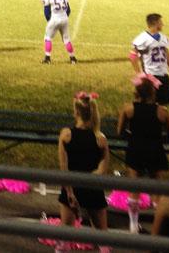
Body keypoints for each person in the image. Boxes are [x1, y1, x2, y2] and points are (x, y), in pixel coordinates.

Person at [117, 73, 169, 233]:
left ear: (137, 92)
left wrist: (134, 135)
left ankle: (133, 224)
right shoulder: (162, 112)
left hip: (135, 149)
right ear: (153, 92)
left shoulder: (128, 109)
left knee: (134, 186)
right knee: (156, 188)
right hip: (155, 150)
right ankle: (159, 225)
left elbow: (120, 131)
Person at [57, 92, 110, 238]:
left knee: (64, 238)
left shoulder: (66, 135)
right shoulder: (101, 139)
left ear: (76, 112)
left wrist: (70, 193)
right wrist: (87, 182)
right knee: (103, 239)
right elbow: (102, 170)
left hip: (71, 189)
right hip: (93, 188)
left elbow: (64, 168)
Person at [130, 13, 169, 105]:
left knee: (164, 102)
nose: (162, 24)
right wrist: (139, 74)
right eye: (160, 22)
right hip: (150, 76)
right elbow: (132, 56)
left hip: (163, 75)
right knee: (149, 103)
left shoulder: (164, 38)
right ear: (155, 23)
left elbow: (167, 54)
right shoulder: (142, 38)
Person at [41, 0, 77, 64]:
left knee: (48, 38)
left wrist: (50, 21)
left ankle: (47, 58)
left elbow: (46, 12)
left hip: (54, 19)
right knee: (66, 39)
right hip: (64, 19)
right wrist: (64, 17)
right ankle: (73, 58)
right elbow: (68, 10)